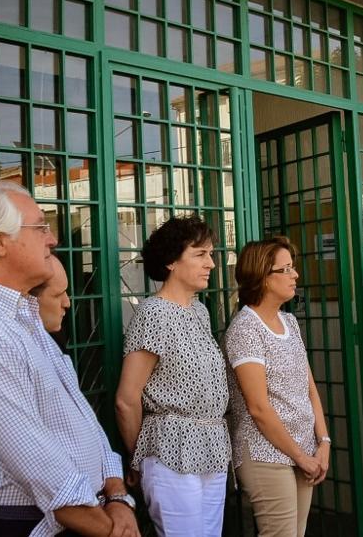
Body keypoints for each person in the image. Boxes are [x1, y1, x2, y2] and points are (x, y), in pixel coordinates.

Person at [0, 181, 139, 537]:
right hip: (16, 524)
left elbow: (80, 419)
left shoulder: (21, 315)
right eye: (40, 227)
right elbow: (37, 462)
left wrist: (116, 496)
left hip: (79, 514)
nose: (52, 239)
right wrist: (112, 529)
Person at [115, 217, 233, 536]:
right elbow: (127, 400)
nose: (211, 262)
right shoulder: (154, 313)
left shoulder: (200, 311)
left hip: (212, 448)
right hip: (170, 449)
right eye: (200, 254)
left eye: (211, 253)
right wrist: (137, 457)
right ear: (171, 261)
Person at [225, 237, 331, 537]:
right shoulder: (245, 329)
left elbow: (309, 387)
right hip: (265, 454)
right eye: (285, 269)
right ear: (262, 278)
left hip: (303, 450)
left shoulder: (289, 322)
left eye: (292, 268)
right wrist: (301, 456)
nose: (294, 275)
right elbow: (258, 407)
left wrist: (323, 442)